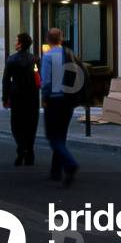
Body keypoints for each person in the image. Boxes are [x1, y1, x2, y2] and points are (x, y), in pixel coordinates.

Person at [40, 28, 79, 184]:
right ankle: (55, 171)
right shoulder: (69, 54)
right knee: (61, 135)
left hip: (55, 100)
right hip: (68, 100)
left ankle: (70, 164)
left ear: (48, 40)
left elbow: (46, 81)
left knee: (52, 136)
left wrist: (44, 98)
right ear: (61, 39)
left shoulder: (48, 56)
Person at [2, 32, 40, 166]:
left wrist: (5, 98)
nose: (14, 43)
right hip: (32, 96)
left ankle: (21, 147)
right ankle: (29, 152)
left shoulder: (11, 60)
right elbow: (37, 77)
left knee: (16, 124)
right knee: (31, 124)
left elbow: (6, 80)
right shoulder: (35, 60)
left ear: (21, 44)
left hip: (17, 95)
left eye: (17, 41)